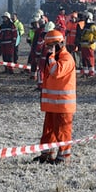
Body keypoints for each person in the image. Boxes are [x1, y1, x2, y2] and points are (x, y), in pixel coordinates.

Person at [32, 29, 77, 165]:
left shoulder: (66, 58)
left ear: (58, 44)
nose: (48, 49)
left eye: (50, 46)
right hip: (52, 104)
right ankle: (47, 153)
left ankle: (64, 157)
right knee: (48, 131)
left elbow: (56, 72)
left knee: (62, 131)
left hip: (63, 104)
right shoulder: (53, 58)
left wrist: (50, 57)